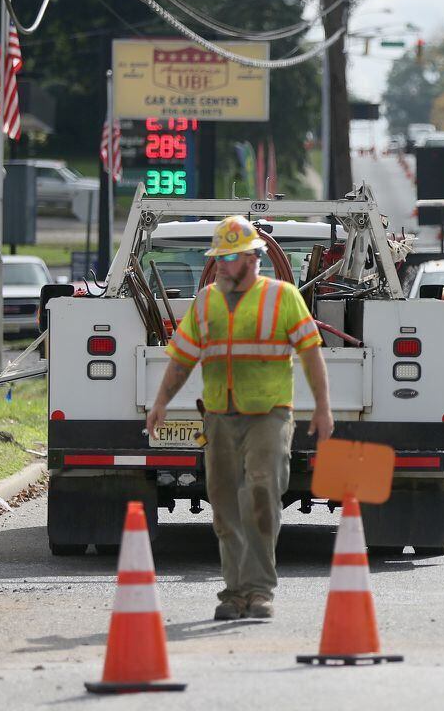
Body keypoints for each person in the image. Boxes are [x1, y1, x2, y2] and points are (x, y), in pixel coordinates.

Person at [146, 215, 334, 620]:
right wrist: (160, 402)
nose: (223, 265)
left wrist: (322, 407)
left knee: (262, 496)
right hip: (219, 416)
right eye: (220, 258)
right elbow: (182, 360)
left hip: (269, 414)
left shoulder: (283, 297)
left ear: (253, 258)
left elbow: (311, 354)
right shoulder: (206, 301)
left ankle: (260, 590)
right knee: (226, 507)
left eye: (231, 258)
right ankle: (234, 594)